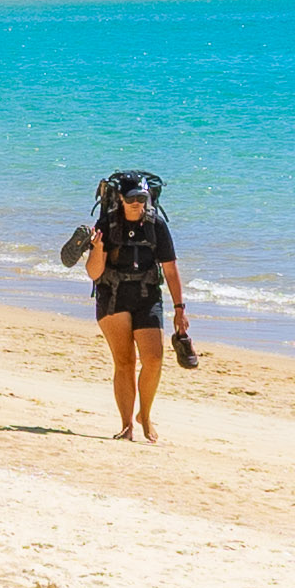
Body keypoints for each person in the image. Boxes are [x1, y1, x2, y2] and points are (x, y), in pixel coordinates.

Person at [57, 168, 186, 441]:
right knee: (125, 361)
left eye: (141, 197)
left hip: (147, 295)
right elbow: (94, 273)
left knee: (154, 359)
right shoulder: (107, 225)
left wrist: (179, 309)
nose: (137, 203)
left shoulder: (156, 225)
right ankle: (127, 425)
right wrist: (99, 249)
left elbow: (171, 270)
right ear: (120, 198)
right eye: (131, 199)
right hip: (112, 294)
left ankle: (145, 416)